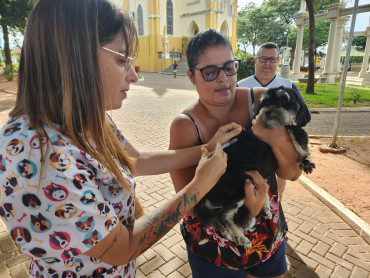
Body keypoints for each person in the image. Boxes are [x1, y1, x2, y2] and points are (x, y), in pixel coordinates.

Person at [0, 2, 242, 277]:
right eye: (121, 60)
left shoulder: (87, 116)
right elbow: (122, 248)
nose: (134, 75)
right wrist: (197, 188)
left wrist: (207, 148)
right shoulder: (34, 156)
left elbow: (134, 160)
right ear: (75, 56)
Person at [169, 29, 302, 278]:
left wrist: (275, 138)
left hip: (266, 233)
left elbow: (292, 172)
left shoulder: (261, 102)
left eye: (229, 67)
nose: (223, 78)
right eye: (210, 72)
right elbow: (188, 205)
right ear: (191, 76)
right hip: (213, 246)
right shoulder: (186, 125)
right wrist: (246, 213)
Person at [238, 42, 303, 201]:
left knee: (276, 194)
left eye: (272, 59)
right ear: (255, 61)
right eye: (263, 59)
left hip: (278, 152)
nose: (267, 63)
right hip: (248, 153)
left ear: (278, 62)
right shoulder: (240, 87)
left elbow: (299, 115)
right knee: (245, 193)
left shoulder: (288, 86)